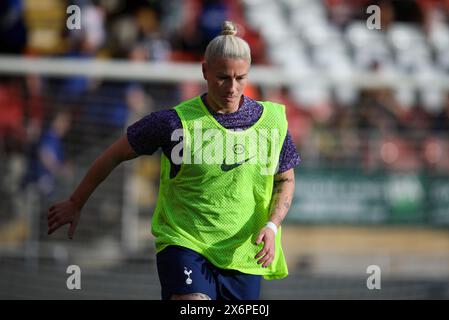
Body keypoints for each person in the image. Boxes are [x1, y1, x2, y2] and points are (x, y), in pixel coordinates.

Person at [47, 21, 300, 300]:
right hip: (184, 243)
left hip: (242, 252)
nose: (231, 87)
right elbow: (114, 154)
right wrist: (76, 202)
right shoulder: (173, 122)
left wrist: (272, 226)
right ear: (204, 70)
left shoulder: (272, 122)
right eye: (222, 77)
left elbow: (285, 180)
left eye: (240, 78)